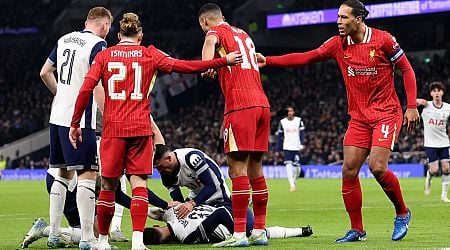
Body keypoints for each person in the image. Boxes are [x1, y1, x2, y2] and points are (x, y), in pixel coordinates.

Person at [69, 12, 242, 250]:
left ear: (119, 35)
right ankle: (138, 242)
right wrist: (223, 61)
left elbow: (86, 89)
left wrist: (75, 123)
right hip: (140, 129)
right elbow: (187, 66)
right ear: (140, 35)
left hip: (113, 129)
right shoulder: (150, 53)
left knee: (108, 187)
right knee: (139, 184)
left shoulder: (104, 55)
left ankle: (102, 242)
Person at [256, 0, 419, 243]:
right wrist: (269, 61)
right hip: (359, 118)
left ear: (359, 19)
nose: (339, 22)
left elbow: (406, 70)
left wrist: (412, 105)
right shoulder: (337, 45)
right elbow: (307, 57)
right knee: (349, 169)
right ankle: (357, 230)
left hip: (386, 113)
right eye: (338, 17)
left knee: (377, 167)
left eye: (344, 17)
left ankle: (402, 212)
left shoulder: (384, 40)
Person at [39, 6, 113, 249]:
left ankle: (54, 234)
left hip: (57, 116)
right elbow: (99, 85)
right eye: (108, 27)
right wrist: (109, 116)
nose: (108, 32)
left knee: (61, 173)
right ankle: (87, 238)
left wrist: (63, 95)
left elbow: (44, 72)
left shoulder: (63, 39)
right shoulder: (98, 45)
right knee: (87, 175)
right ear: (103, 24)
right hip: (80, 121)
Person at [198, 3, 271, 247]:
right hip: (262, 105)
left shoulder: (213, 32)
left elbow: (207, 57)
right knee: (256, 170)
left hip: (241, 105)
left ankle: (239, 233)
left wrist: (207, 66)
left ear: (204, 22)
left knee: (237, 169)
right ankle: (259, 231)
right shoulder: (244, 34)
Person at [142, 204, 313, 245]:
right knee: (261, 232)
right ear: (156, 226)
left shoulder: (186, 237)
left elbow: (221, 214)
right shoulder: (173, 212)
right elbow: (148, 209)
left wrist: (240, 234)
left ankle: (301, 230)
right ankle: (302, 230)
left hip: (239, 220)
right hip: (239, 209)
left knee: (257, 233)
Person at [153, 144, 231, 219]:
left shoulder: (191, 157)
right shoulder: (165, 174)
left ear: (169, 158)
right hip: (197, 197)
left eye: (160, 166)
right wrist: (177, 208)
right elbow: (179, 201)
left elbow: (211, 186)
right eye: (156, 168)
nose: (159, 171)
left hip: (218, 195)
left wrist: (191, 204)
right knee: (180, 215)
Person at [417, 81, 450, 202]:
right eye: (434, 91)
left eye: (438, 90)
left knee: (446, 168)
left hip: (444, 142)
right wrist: (417, 100)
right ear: (431, 93)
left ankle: (444, 195)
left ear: (442, 92)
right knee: (434, 170)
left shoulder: (448, 108)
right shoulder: (426, 106)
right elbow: (409, 104)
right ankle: (428, 179)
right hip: (430, 144)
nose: (436, 93)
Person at [275, 106, 306, 192]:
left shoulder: (299, 120)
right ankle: (291, 185)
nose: (290, 113)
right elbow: (279, 137)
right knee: (288, 166)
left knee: (298, 169)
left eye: (291, 111)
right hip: (287, 147)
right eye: (288, 111)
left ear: (294, 112)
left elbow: (302, 133)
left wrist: (302, 144)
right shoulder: (282, 122)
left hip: (296, 147)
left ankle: (294, 182)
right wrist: (278, 149)